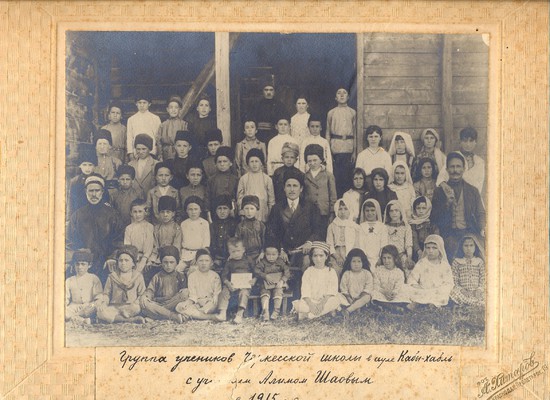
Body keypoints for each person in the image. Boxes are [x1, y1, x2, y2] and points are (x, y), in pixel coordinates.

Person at [266, 169, 323, 297]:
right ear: (284, 188)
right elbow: (271, 232)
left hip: (304, 251)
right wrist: (280, 249)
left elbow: (318, 229)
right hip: (284, 251)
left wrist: (309, 242)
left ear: (301, 189)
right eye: (288, 186)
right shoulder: (277, 208)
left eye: (295, 186)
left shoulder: (310, 207)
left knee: (307, 263)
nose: (292, 189)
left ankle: (305, 297)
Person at [67, 175, 124, 284]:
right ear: (85, 192)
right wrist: (81, 257)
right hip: (84, 265)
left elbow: (119, 239)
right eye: (91, 191)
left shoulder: (112, 215)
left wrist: (112, 257)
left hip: (107, 264)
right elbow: (70, 242)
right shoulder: (77, 215)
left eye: (97, 191)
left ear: (102, 192)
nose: (94, 194)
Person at [431, 152, 486, 260]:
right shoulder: (439, 192)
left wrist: (482, 228)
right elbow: (434, 217)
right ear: (447, 169)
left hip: (468, 232)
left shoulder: (473, 191)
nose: (455, 170)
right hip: (448, 234)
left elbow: (480, 212)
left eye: (458, 166)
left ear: (464, 169)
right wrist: (447, 204)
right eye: (452, 167)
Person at [291, 241, 345, 320]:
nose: (318, 259)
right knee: (302, 306)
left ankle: (308, 316)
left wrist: (321, 304)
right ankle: (325, 312)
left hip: (325, 300)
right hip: (311, 300)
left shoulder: (331, 271)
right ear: (311, 257)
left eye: (321, 255)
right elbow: (305, 291)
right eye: (315, 256)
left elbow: (332, 291)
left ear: (326, 256)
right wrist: (311, 305)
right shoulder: (308, 271)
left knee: (335, 300)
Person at [96, 245, 146, 324]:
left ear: (133, 263)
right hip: (115, 307)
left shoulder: (138, 276)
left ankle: (117, 318)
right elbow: (106, 294)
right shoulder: (112, 276)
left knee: (137, 308)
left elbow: (142, 294)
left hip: (130, 307)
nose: (123, 263)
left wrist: (136, 302)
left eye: (126, 260)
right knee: (100, 313)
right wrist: (104, 303)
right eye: (120, 260)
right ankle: (129, 320)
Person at [139, 245, 189, 323]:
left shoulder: (180, 276)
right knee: (144, 303)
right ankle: (173, 316)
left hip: (173, 303)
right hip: (158, 303)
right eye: (165, 262)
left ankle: (157, 315)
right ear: (161, 262)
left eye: (171, 262)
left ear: (177, 263)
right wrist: (146, 296)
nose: (168, 265)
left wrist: (184, 291)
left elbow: (182, 294)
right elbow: (150, 290)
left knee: (185, 294)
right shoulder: (157, 276)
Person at [215, 238, 256, 324]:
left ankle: (239, 314)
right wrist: (228, 283)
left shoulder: (248, 260)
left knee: (244, 293)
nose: (236, 254)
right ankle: (222, 312)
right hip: (233, 285)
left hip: (245, 285)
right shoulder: (229, 262)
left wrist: (254, 280)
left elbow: (256, 272)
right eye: (233, 252)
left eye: (238, 251)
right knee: (224, 291)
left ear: (243, 249)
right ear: (229, 252)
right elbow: (224, 275)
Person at [407, 234, 454, 308]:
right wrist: (416, 286)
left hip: (437, 291)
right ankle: (422, 302)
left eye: (434, 248)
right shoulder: (421, 263)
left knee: (444, 293)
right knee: (407, 288)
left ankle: (430, 303)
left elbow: (449, 283)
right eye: (428, 248)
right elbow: (412, 278)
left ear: (440, 249)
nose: (430, 251)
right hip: (423, 290)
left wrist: (440, 289)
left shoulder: (445, 265)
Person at [326, 87, 356, 196]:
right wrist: (329, 152)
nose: (342, 95)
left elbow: (355, 132)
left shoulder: (353, 112)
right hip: (336, 148)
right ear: (336, 97)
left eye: (344, 93)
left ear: (348, 97)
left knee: (348, 177)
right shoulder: (331, 113)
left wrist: (354, 152)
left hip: (348, 148)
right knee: (337, 177)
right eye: (339, 93)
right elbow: (328, 132)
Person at [176, 249, 222, 321]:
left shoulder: (215, 276)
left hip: (210, 302)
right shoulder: (192, 276)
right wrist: (187, 303)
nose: (204, 263)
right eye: (201, 261)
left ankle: (196, 315)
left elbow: (217, 293)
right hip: (197, 303)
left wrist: (213, 299)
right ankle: (210, 317)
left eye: (207, 261)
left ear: (211, 263)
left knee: (211, 306)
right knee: (179, 307)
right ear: (196, 262)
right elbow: (193, 295)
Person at [437, 127, 485, 194]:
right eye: (465, 141)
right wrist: (447, 189)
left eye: (471, 141)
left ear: (475, 142)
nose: (468, 144)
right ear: (460, 142)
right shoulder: (453, 156)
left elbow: (479, 184)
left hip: (473, 196)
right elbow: (441, 178)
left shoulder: (480, 162)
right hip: (454, 195)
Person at [303, 143, 337, 233]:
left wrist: (332, 213)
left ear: (321, 160)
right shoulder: (305, 176)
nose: (312, 163)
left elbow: (333, 196)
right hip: (309, 213)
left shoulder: (328, 175)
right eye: (309, 161)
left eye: (315, 160)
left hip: (324, 213)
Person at [236, 148, 275, 223]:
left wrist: (270, 214)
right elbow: (240, 198)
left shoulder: (267, 179)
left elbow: (271, 200)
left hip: (263, 214)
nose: (254, 164)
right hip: (248, 213)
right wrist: (242, 213)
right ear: (248, 163)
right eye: (252, 161)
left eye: (256, 161)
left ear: (261, 163)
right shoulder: (243, 179)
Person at [65, 249, 103, 324]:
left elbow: (99, 296)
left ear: (89, 265)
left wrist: (93, 305)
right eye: (77, 264)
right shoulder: (69, 280)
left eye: (83, 264)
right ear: (74, 265)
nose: (80, 267)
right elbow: (65, 298)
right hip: (74, 307)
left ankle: (75, 317)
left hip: (89, 306)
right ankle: (83, 320)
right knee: (63, 311)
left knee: (97, 309)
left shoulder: (93, 278)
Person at [254, 244, 290, 321]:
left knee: (278, 292)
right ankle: (265, 312)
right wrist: (265, 276)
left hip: (278, 283)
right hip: (266, 284)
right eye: (268, 254)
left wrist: (282, 280)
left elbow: (287, 271)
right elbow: (256, 270)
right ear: (265, 254)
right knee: (265, 295)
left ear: (278, 254)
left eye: (273, 255)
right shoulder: (262, 262)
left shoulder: (280, 262)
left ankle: (276, 311)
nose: (271, 257)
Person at [371, 245, 410, 313]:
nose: (386, 261)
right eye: (384, 258)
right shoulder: (378, 270)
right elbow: (376, 285)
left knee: (404, 291)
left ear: (395, 259)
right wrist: (384, 292)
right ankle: (392, 307)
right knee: (374, 294)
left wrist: (393, 293)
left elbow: (398, 286)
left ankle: (385, 306)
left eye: (389, 258)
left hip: (393, 295)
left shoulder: (399, 272)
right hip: (382, 293)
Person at [449, 235, 485, 307]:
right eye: (466, 246)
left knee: (488, 293)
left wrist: (479, 289)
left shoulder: (479, 261)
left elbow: (483, 278)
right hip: (462, 291)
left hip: (476, 291)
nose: (468, 248)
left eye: (471, 245)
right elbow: (454, 279)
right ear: (461, 247)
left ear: (475, 247)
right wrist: (462, 290)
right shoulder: (457, 261)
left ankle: (472, 302)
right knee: (453, 293)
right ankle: (475, 303)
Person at [253, 78, 289, 146]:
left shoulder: (280, 105)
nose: (268, 92)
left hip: (274, 134)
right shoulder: (257, 105)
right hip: (260, 135)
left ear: (274, 92)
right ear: (263, 91)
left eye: (271, 90)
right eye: (266, 90)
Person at [355, 125, 392, 191]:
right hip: (366, 187)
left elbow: (388, 174)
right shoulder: (361, 155)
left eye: (376, 136)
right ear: (367, 138)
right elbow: (358, 174)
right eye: (371, 137)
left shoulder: (386, 155)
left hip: (381, 187)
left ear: (380, 138)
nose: (373, 139)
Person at [383, 200, 414, 278]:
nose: (394, 213)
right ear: (388, 213)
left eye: (396, 210)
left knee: (408, 274)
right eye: (391, 211)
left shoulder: (406, 227)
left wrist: (409, 257)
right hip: (389, 257)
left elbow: (408, 244)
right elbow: (383, 243)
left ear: (401, 212)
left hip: (402, 255)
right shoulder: (385, 227)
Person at [126, 94, 161, 162]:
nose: (142, 105)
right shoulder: (131, 119)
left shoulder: (155, 119)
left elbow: (157, 138)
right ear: (136, 104)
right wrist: (130, 153)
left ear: (149, 104)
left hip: (151, 152)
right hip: (137, 153)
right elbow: (129, 137)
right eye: (139, 103)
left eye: (144, 103)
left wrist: (158, 153)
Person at [180, 196, 210, 274]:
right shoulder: (183, 224)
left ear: (200, 210)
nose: (193, 212)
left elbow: (206, 243)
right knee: (178, 269)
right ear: (186, 210)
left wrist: (198, 256)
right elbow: (181, 242)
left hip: (199, 255)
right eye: (190, 209)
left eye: (196, 209)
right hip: (185, 254)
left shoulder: (204, 223)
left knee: (193, 271)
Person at [339, 248, 373, 318]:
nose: (356, 264)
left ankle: (348, 310)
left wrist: (359, 298)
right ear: (349, 262)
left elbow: (368, 288)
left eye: (359, 261)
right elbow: (343, 289)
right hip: (349, 298)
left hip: (362, 298)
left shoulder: (367, 273)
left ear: (363, 262)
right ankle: (355, 307)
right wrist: (349, 298)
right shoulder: (347, 274)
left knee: (368, 297)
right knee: (338, 295)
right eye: (353, 261)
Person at [123, 199, 154, 274]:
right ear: (131, 213)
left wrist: (144, 260)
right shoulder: (129, 228)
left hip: (146, 258)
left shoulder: (149, 226)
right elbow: (127, 246)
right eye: (135, 212)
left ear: (145, 212)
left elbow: (149, 247)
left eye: (140, 211)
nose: (138, 215)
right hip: (132, 257)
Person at [326, 199, 360, 265]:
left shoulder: (355, 227)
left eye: (346, 209)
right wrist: (337, 257)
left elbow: (357, 244)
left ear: (350, 210)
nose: (343, 212)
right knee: (335, 267)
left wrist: (351, 256)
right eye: (340, 209)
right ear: (336, 210)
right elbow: (329, 243)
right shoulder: (332, 226)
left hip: (351, 252)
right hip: (336, 253)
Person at [209, 195, 238, 272]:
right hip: (216, 258)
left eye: (225, 208)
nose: (222, 211)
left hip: (230, 257)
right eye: (219, 208)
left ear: (229, 210)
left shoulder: (234, 224)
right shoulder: (212, 225)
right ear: (215, 211)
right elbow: (211, 243)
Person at [150, 196, 182, 266]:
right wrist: (152, 259)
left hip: (172, 258)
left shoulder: (176, 228)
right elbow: (155, 247)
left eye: (168, 212)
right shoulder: (156, 228)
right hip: (159, 258)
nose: (165, 215)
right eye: (162, 212)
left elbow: (176, 247)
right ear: (159, 213)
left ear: (173, 213)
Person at [206, 146, 239, 214]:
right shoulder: (211, 180)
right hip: (215, 212)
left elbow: (237, 198)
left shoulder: (235, 180)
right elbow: (208, 198)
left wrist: (234, 209)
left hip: (231, 212)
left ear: (231, 163)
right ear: (215, 164)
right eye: (219, 162)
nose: (222, 164)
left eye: (225, 161)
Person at [156, 95, 189, 161]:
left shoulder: (184, 124)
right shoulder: (163, 125)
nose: (173, 110)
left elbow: (186, 142)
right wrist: (160, 156)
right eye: (171, 107)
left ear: (179, 109)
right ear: (167, 109)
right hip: (166, 154)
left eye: (176, 107)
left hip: (179, 153)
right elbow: (159, 142)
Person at [68, 147, 98, 215]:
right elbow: (71, 201)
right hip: (79, 212)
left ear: (94, 166)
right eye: (84, 165)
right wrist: (70, 216)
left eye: (90, 165)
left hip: (95, 212)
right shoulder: (75, 181)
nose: (87, 168)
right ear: (80, 166)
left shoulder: (98, 179)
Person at [358, 198, 388, 268]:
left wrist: (380, 258)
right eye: (367, 210)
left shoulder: (382, 227)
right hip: (364, 259)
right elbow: (360, 245)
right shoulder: (360, 227)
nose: (370, 213)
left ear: (377, 211)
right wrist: (364, 259)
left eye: (372, 210)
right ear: (363, 212)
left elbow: (384, 244)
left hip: (379, 260)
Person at [235, 195, 266, 261]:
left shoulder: (261, 225)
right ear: (243, 210)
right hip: (244, 255)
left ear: (256, 210)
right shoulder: (240, 226)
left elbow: (264, 240)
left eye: (252, 209)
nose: (249, 212)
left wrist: (262, 252)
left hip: (259, 255)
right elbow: (237, 241)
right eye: (246, 208)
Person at [410, 196, 439, 262]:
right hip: (417, 251)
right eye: (418, 208)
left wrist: (428, 250)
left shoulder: (432, 223)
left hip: (431, 250)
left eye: (424, 208)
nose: (421, 211)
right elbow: (414, 239)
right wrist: (419, 251)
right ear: (414, 209)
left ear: (428, 208)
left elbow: (436, 238)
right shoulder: (413, 224)